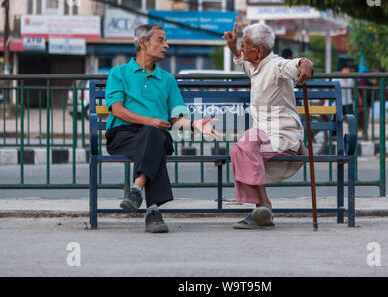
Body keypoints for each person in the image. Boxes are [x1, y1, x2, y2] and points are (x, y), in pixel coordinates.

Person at [105, 24, 220, 233]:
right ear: (143, 43)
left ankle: (136, 190)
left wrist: (194, 124)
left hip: (156, 134)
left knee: (153, 136)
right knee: (153, 138)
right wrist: (150, 121)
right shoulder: (118, 73)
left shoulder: (167, 79)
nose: (166, 45)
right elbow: (118, 111)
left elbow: (177, 120)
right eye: (161, 40)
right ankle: (153, 212)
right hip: (123, 136)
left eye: (166, 40)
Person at [223, 22, 314, 229]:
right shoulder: (254, 64)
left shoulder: (275, 65)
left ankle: (263, 205)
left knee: (245, 145)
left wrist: (304, 62)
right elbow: (241, 60)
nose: (242, 49)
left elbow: (291, 65)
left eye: (245, 45)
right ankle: (262, 207)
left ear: (259, 50)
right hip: (263, 137)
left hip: (283, 135)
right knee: (239, 149)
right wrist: (233, 47)